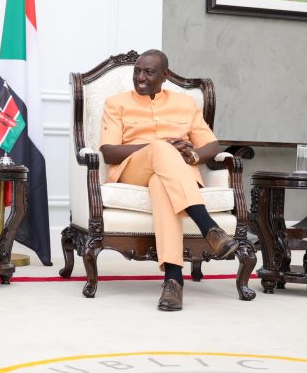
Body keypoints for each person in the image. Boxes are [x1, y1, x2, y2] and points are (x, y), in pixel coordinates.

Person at [99, 49, 239, 311]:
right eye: (137, 71)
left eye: (148, 72)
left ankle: (173, 282)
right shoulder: (116, 103)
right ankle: (208, 226)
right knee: (160, 148)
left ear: (164, 76)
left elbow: (212, 145)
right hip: (132, 171)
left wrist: (192, 154)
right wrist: (158, 146)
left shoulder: (185, 104)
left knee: (162, 185)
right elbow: (109, 151)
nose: (140, 77)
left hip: (173, 177)